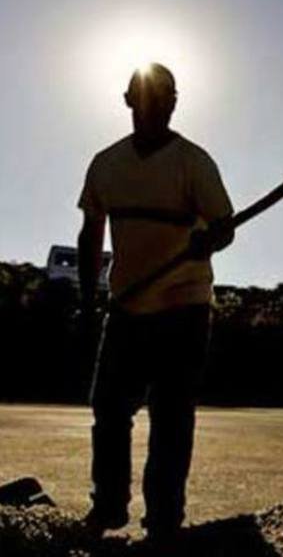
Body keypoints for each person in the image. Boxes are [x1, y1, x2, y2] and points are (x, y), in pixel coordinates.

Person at [77, 63, 234, 543]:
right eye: (143, 97)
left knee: (171, 413)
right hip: (126, 305)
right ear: (127, 101)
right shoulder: (106, 164)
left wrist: (210, 241)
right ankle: (108, 507)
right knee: (108, 409)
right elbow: (90, 234)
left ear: (174, 103)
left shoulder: (193, 162)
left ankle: (164, 519)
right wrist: (89, 300)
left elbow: (223, 225)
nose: (152, 105)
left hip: (183, 304)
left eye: (162, 98)